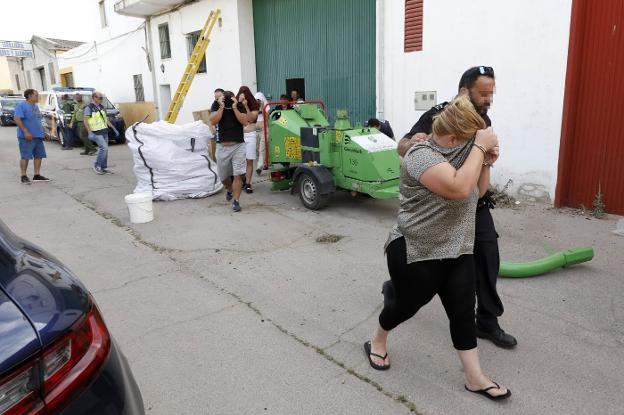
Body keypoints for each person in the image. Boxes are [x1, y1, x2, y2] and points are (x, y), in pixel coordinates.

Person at [366, 96, 510, 401]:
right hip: (416, 250)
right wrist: (480, 149)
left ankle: (475, 377)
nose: (475, 145)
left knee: (462, 312)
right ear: (455, 138)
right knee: (406, 307)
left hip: (457, 249)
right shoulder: (421, 155)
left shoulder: (463, 153)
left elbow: (477, 192)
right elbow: (458, 188)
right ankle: (378, 340)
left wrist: (485, 161)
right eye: (472, 141)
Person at [392, 66, 517, 349]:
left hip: (474, 199)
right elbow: (403, 146)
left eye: (491, 94)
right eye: (483, 93)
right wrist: (414, 141)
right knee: (427, 266)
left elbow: (479, 167)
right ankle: (397, 291)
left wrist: (487, 158)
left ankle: (486, 320)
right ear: (464, 92)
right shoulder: (440, 114)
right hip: (444, 202)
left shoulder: (483, 119)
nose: (489, 100)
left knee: (487, 256)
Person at [210, 90, 248, 212]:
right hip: (222, 147)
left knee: (238, 175)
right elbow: (213, 121)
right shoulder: (216, 104)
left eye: (229, 98)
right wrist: (221, 107)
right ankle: (230, 189)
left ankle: (236, 201)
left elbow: (245, 122)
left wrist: (235, 107)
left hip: (238, 146)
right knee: (223, 177)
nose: (227, 100)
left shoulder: (238, 105)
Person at [14, 89, 50, 184]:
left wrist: (44, 132)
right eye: (36, 95)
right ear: (30, 96)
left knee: (39, 155)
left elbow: (38, 121)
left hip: (38, 136)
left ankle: (36, 175)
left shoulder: (35, 106)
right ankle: (23, 175)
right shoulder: (21, 105)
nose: (38, 97)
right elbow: (17, 119)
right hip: (26, 137)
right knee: (25, 156)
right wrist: (26, 132)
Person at [84, 91, 118, 175]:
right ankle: (97, 165)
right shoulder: (89, 108)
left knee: (105, 150)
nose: (101, 99)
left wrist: (114, 129)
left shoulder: (102, 107)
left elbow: (105, 119)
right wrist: (89, 132)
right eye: (100, 98)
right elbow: (85, 121)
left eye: (102, 98)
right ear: (94, 98)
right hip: (96, 132)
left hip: (104, 131)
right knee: (104, 148)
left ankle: (103, 168)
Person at [236, 86, 260, 193]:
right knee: (240, 161)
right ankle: (243, 179)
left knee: (249, 160)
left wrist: (246, 106)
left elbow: (251, 119)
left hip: (250, 135)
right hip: (239, 135)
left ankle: (248, 183)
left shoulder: (254, 105)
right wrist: (238, 103)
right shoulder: (236, 105)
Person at [254, 91, 268, 175]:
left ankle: (259, 167)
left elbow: (267, 117)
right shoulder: (253, 106)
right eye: (256, 100)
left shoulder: (266, 105)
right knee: (257, 149)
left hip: (264, 130)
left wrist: (262, 108)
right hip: (255, 130)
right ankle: (265, 162)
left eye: (259, 100)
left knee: (261, 149)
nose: (257, 102)